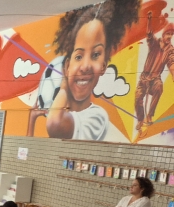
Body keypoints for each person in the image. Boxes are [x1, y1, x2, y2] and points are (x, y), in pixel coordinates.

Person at [41, 0, 138, 140]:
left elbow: (55, 124)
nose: (86, 66)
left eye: (95, 55)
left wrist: (63, 88)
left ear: (103, 66)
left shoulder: (97, 118)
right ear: (67, 66)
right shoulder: (62, 109)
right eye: (79, 56)